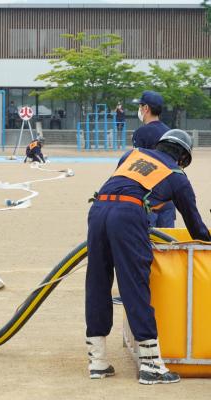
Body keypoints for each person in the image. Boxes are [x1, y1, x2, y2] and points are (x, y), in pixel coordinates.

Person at [85, 129, 210, 385]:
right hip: (128, 216)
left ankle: (97, 361)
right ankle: (151, 365)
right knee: (135, 285)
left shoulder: (132, 154)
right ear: (184, 159)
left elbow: (128, 185)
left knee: (97, 282)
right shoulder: (177, 177)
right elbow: (196, 228)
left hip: (98, 209)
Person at [131, 91, 174, 227]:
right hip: (168, 197)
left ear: (146, 108)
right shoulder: (169, 132)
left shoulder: (141, 133)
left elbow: (136, 165)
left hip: (149, 198)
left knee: (147, 243)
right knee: (168, 244)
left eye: (140, 106)